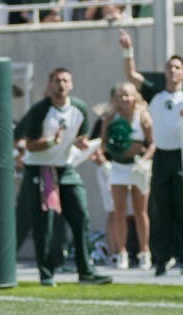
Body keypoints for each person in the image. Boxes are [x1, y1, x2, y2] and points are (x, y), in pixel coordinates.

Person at [118, 29, 183, 276]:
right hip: (161, 157)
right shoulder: (156, 93)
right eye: (170, 67)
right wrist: (128, 49)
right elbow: (131, 75)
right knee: (160, 209)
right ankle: (162, 257)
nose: (173, 71)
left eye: (177, 67)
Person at [19, 67, 113, 286]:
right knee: (45, 223)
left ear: (71, 84)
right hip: (40, 168)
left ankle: (86, 270)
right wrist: (53, 141)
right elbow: (30, 145)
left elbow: (81, 137)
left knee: (80, 215)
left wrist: (81, 143)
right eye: (57, 81)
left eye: (65, 80)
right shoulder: (40, 110)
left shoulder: (79, 108)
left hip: (65, 168)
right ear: (50, 85)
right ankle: (46, 273)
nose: (61, 85)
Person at [98, 82, 153, 270]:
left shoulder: (142, 116)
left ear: (134, 96)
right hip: (118, 167)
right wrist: (112, 147)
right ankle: (122, 253)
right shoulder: (110, 118)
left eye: (127, 95)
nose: (124, 99)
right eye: (120, 95)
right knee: (119, 212)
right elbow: (103, 143)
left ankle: (144, 252)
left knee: (140, 211)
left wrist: (144, 160)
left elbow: (153, 144)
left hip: (137, 167)